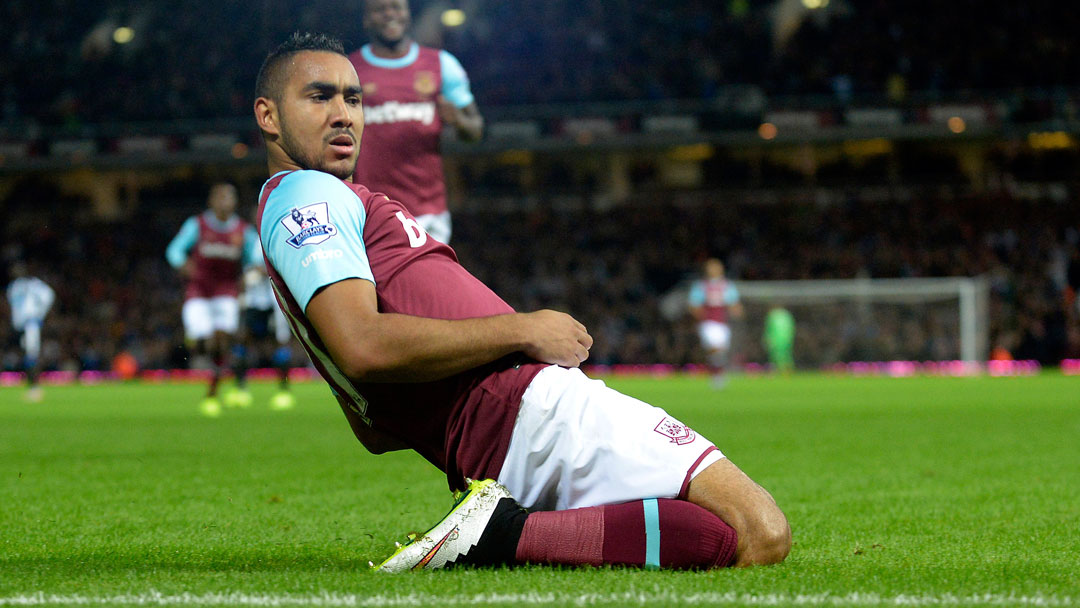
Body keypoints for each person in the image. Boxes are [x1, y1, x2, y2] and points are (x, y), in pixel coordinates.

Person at [252, 32, 789, 571]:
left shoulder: (309, 206)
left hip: (493, 434)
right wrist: (522, 330)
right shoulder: (308, 194)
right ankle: (494, 536)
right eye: (319, 97)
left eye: (354, 98)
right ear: (268, 116)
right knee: (761, 531)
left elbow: (371, 426)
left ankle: (499, 530)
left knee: (715, 538)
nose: (344, 114)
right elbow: (362, 346)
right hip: (524, 403)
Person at [348, 0, 484, 244]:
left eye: (396, 7)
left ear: (408, 13)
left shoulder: (442, 64)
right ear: (367, 19)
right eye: (381, 9)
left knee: (429, 282)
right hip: (369, 210)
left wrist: (458, 121)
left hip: (428, 212)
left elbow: (475, 130)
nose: (390, 14)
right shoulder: (349, 69)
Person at [165, 183, 261, 417]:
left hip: (226, 293)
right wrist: (183, 264)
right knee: (203, 341)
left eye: (229, 197)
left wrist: (250, 276)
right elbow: (174, 251)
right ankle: (195, 343)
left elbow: (256, 260)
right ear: (211, 201)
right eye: (221, 197)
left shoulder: (243, 231)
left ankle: (213, 391)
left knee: (221, 340)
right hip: (198, 292)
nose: (225, 202)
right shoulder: (197, 225)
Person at [238, 253, 296, 410]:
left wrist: (262, 271)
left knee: (278, 343)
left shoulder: (275, 231)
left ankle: (284, 391)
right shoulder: (247, 237)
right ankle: (241, 389)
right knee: (243, 341)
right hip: (252, 301)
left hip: (273, 300)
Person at [688, 258, 744, 388]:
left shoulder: (726, 286)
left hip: (722, 323)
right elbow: (694, 304)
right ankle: (717, 375)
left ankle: (716, 374)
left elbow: (733, 302)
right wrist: (698, 313)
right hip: (708, 323)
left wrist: (736, 310)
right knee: (715, 348)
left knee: (720, 351)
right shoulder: (701, 286)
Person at [6, 261, 55, 402]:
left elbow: (49, 296)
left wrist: (40, 315)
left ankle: (35, 388)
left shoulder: (35, 285)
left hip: (31, 324)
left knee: (31, 355)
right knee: (25, 356)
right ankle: (31, 386)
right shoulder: (14, 287)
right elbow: (14, 308)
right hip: (19, 326)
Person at [763, 305, 795, 374]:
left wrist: (767, 338)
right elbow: (792, 327)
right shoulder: (787, 315)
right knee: (785, 355)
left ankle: (779, 369)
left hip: (776, 339)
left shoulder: (772, 315)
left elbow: (768, 329)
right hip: (786, 338)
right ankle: (786, 369)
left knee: (776, 355)